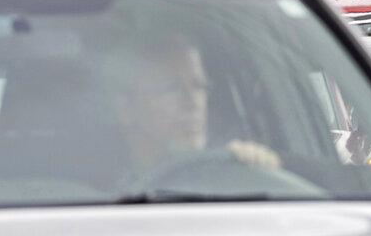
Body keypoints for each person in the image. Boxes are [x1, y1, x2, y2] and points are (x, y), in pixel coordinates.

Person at [101, 34, 280, 181]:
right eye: (172, 88)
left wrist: (260, 168)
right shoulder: (97, 196)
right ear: (126, 110)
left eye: (199, 86)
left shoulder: (228, 171)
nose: (193, 102)